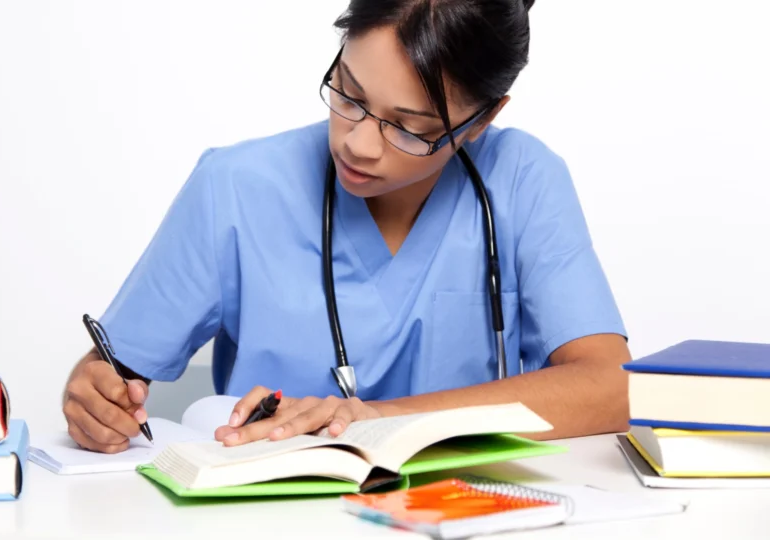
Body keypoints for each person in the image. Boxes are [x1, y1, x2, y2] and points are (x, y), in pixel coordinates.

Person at [62, 0, 631, 454]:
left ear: (483, 120)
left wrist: (375, 419)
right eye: (350, 95)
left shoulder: (524, 181)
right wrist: (94, 399)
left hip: (466, 513)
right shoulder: (236, 187)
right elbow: (113, 375)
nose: (357, 145)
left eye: (411, 128)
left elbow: (612, 387)